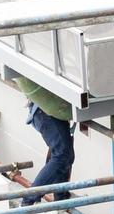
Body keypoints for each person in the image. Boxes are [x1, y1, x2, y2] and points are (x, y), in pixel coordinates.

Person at [14, 76, 76, 206]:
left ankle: (61, 197)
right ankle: (29, 201)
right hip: (46, 112)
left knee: (64, 154)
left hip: (47, 111)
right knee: (62, 155)